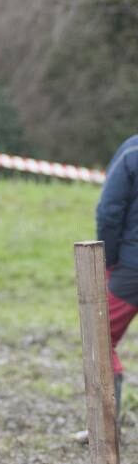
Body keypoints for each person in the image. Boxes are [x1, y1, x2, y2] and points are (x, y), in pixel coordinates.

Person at [96, 135, 138, 414]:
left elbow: (109, 213)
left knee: (99, 338)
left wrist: (108, 260)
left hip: (131, 268)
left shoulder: (132, 152)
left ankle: (109, 423)